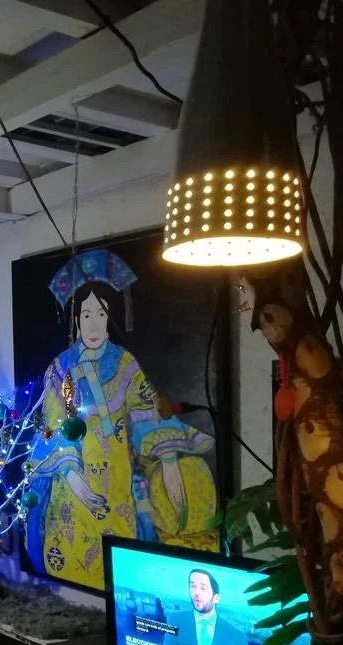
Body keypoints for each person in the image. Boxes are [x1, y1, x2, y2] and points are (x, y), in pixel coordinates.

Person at [25, 250, 218, 589]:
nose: (93, 324)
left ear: (109, 317)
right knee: (71, 568)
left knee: (117, 572)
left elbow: (146, 413)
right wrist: (73, 478)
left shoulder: (125, 364)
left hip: (118, 478)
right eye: (86, 314)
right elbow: (53, 425)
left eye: (101, 314)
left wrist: (168, 459)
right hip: (74, 482)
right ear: (76, 320)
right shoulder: (60, 367)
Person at [164, 569, 257, 645]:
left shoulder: (237, 635)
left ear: (216, 598)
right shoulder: (174, 619)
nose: (196, 592)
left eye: (203, 588)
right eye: (193, 586)